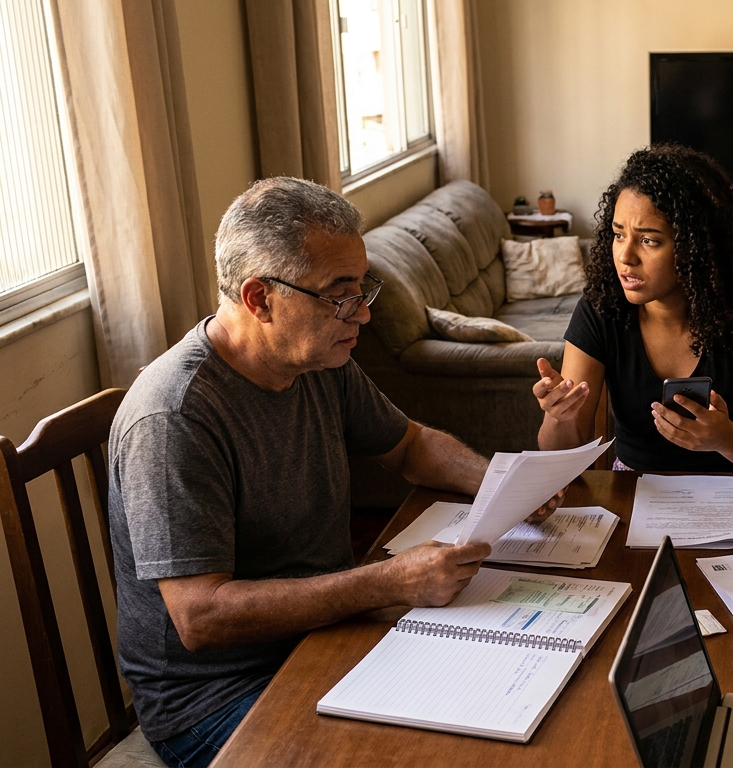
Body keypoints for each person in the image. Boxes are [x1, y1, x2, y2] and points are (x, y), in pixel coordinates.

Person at [108, 178, 558, 768]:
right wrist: (387, 583)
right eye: (340, 295)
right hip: (214, 698)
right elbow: (201, 615)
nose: (364, 314)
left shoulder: (317, 358)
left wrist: (501, 484)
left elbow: (410, 445)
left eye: (363, 289)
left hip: (324, 634)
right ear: (259, 298)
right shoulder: (175, 417)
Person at [532, 144, 733, 477]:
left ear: (695, 247)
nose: (625, 256)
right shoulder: (601, 308)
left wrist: (726, 439)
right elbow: (561, 452)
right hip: (633, 492)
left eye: (649, 240)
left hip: (731, 495)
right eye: (618, 234)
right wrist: (558, 415)